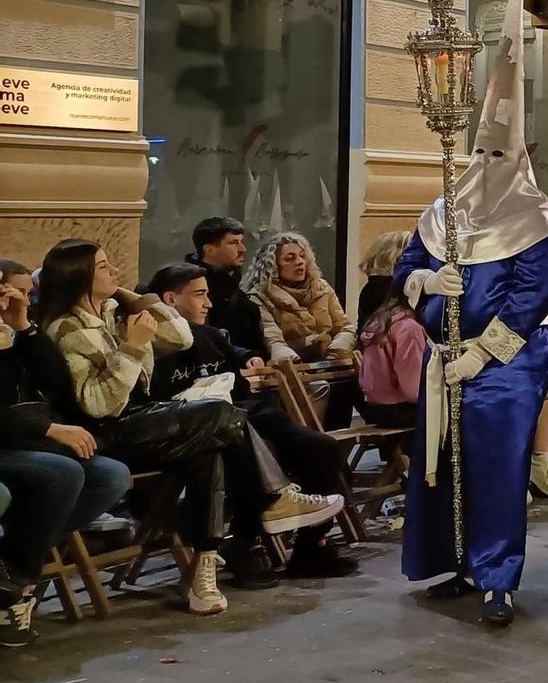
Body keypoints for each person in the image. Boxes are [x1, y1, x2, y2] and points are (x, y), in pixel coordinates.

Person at [37, 239, 342, 614]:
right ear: (78, 276)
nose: (113, 270)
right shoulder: (67, 330)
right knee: (219, 412)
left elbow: (180, 336)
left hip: (141, 417)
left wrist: (135, 297)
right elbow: (97, 404)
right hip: (106, 430)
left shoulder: (113, 311)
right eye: (102, 267)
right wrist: (133, 348)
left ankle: (204, 570)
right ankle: (273, 499)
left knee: (209, 449)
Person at [395, 0, 548, 626]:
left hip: (507, 364)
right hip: (444, 358)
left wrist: (485, 353)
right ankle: (457, 561)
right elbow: (407, 268)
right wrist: (426, 284)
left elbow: (532, 294)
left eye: (501, 151)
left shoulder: (537, 217)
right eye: (482, 150)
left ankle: (498, 575)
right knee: (443, 465)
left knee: (495, 469)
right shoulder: (443, 209)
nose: (488, 161)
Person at [148, 261, 358, 579]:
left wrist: (248, 358)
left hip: (240, 410)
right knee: (245, 451)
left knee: (321, 448)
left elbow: (240, 367)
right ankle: (245, 544)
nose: (208, 303)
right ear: (170, 299)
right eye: (199, 295)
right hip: (196, 426)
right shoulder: (151, 344)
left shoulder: (211, 335)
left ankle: (311, 547)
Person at [0, 258, 131, 647]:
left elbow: (57, 383)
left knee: (112, 474)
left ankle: (11, 567)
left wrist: (23, 326)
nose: (21, 300)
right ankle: (20, 583)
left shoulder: (21, 333)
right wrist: (47, 428)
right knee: (62, 473)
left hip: (30, 441)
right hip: (14, 443)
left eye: (28, 293)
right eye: (13, 292)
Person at [245, 232, 359, 432]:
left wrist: (339, 346)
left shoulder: (321, 288)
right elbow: (273, 340)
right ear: (274, 265)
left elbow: (345, 326)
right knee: (317, 388)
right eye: (290, 258)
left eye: (302, 256)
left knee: (357, 383)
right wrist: (296, 355)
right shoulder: (260, 296)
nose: (299, 262)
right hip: (296, 370)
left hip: (331, 362)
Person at [187, 216, 264, 357]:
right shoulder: (190, 286)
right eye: (234, 243)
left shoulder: (233, 279)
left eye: (241, 242)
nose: (242, 249)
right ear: (209, 250)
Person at [357, 283, 427, 429]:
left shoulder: (380, 320)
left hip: (377, 408)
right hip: (400, 409)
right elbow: (413, 390)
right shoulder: (409, 328)